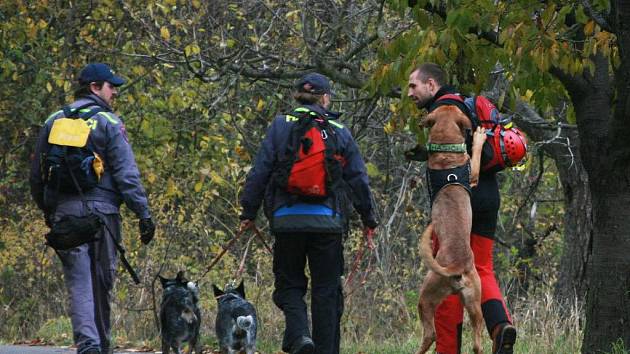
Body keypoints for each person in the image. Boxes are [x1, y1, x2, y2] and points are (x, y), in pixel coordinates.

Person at [239, 72, 378, 354]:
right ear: (325, 98)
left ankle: (301, 336)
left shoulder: (280, 126)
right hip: (328, 224)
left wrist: (248, 212)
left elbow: (260, 172)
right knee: (326, 291)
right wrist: (369, 219)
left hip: (287, 221)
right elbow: (358, 179)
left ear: (296, 97)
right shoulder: (338, 129)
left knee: (289, 285)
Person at [30, 63, 155, 354]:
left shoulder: (53, 120)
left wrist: (49, 210)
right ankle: (101, 344)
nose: (115, 93)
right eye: (111, 87)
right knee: (101, 281)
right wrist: (143, 214)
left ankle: (89, 345)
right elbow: (126, 173)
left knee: (79, 282)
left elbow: (36, 175)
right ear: (94, 87)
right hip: (103, 214)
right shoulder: (109, 122)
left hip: (65, 213)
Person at [407, 63, 517, 354]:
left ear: (432, 84)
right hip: (487, 197)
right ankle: (500, 326)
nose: (410, 93)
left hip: (456, 197)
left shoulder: (442, 111)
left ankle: (447, 349)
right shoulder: (469, 106)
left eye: (413, 86)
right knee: (480, 268)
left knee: (448, 268)